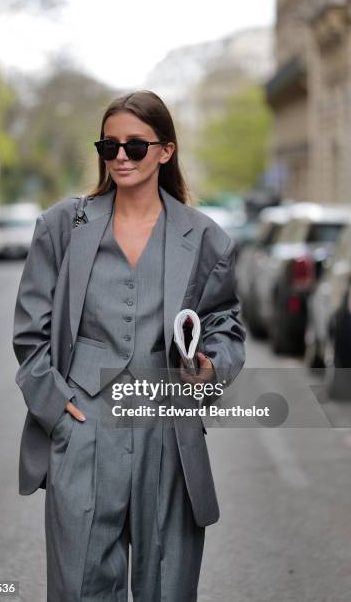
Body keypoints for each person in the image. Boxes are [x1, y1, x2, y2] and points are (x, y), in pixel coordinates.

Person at [12, 89, 246, 602]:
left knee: (167, 586)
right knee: (79, 586)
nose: (120, 156)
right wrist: (56, 408)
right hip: (82, 425)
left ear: (166, 150)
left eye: (135, 146)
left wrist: (208, 367)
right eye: (109, 146)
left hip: (169, 429)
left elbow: (226, 326)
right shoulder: (61, 226)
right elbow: (31, 332)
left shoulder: (205, 237)